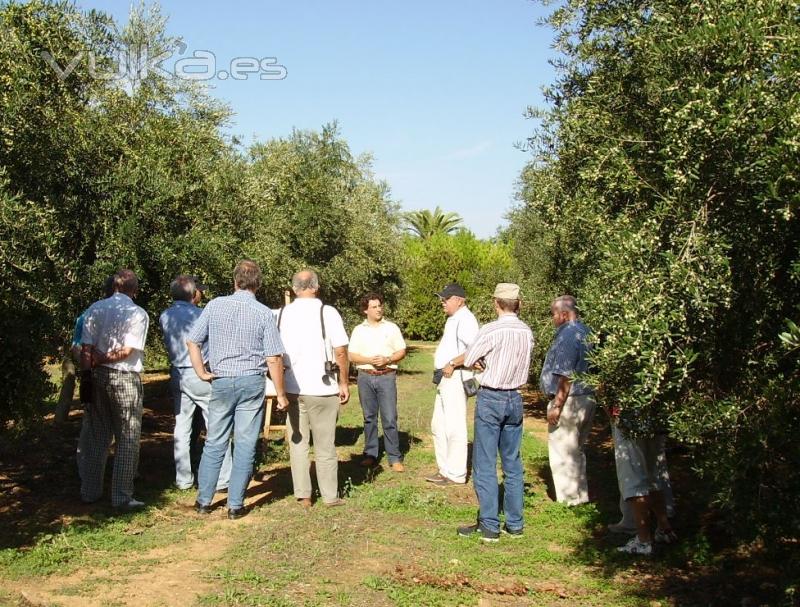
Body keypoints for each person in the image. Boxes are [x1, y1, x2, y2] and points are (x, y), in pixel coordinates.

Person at [188, 260, 287, 519]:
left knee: (215, 440)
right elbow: (274, 357)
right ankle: (235, 504)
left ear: (235, 281)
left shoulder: (214, 306)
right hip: (251, 381)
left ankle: (203, 501)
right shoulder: (264, 312)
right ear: (258, 283)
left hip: (221, 380)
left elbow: (193, 340)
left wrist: (201, 372)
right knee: (244, 443)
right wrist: (281, 393)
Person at [456, 283, 534, 542]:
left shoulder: (491, 329)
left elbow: (469, 359)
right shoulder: (526, 331)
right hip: (516, 397)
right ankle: (515, 523)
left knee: (485, 462)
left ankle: (489, 524)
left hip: (491, 396)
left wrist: (482, 362)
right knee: (512, 462)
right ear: (518, 303)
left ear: (495, 303)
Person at [278, 269, 350, 507]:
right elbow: (340, 350)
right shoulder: (327, 312)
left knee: (298, 443)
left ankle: (303, 495)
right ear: (316, 287)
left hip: (292, 387)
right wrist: (343, 381)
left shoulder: (282, 314)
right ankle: (330, 495)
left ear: (295, 288)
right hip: (322, 386)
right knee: (325, 444)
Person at [79, 269, 149, 510]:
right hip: (125, 377)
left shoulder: (95, 309)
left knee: (97, 436)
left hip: (96, 376)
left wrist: (88, 372)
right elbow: (127, 351)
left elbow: (86, 348)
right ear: (134, 290)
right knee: (128, 437)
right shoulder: (137, 313)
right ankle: (121, 496)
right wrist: (101, 361)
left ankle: (89, 491)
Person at [160, 274, 232, 492]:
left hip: (178, 374)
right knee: (217, 423)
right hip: (199, 372)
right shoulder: (200, 314)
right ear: (193, 293)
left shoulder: (165, 315)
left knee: (182, 425)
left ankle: (183, 478)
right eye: (199, 290)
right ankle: (222, 478)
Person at [540, 295, 596, 506]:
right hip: (587, 398)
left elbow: (566, 374)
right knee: (577, 450)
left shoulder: (568, 336)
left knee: (563, 450)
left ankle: (569, 500)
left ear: (564, 314)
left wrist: (557, 405)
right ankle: (580, 496)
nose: (552, 318)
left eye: (553, 314)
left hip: (570, 400)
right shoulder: (586, 331)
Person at [426, 283, 479, 487]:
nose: (443, 302)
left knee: (454, 425)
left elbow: (474, 350)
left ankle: (456, 473)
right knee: (438, 425)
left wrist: (452, 363)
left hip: (455, 376)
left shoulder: (466, 319)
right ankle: (444, 469)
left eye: (446, 299)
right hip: (445, 377)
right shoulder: (453, 319)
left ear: (459, 300)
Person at [348, 292, 407, 472]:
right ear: (365, 310)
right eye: (374, 307)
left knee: (389, 417)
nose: (379, 309)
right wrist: (369, 359)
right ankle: (370, 454)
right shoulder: (359, 330)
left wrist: (388, 359)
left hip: (386, 376)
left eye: (380, 305)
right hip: (365, 376)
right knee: (369, 418)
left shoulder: (391, 328)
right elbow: (351, 355)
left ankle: (394, 457)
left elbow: (401, 350)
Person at [612, 424, 677, 554]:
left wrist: (613, 415)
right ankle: (665, 529)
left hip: (629, 421)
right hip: (654, 420)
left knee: (632, 477)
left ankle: (643, 541)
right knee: (653, 474)